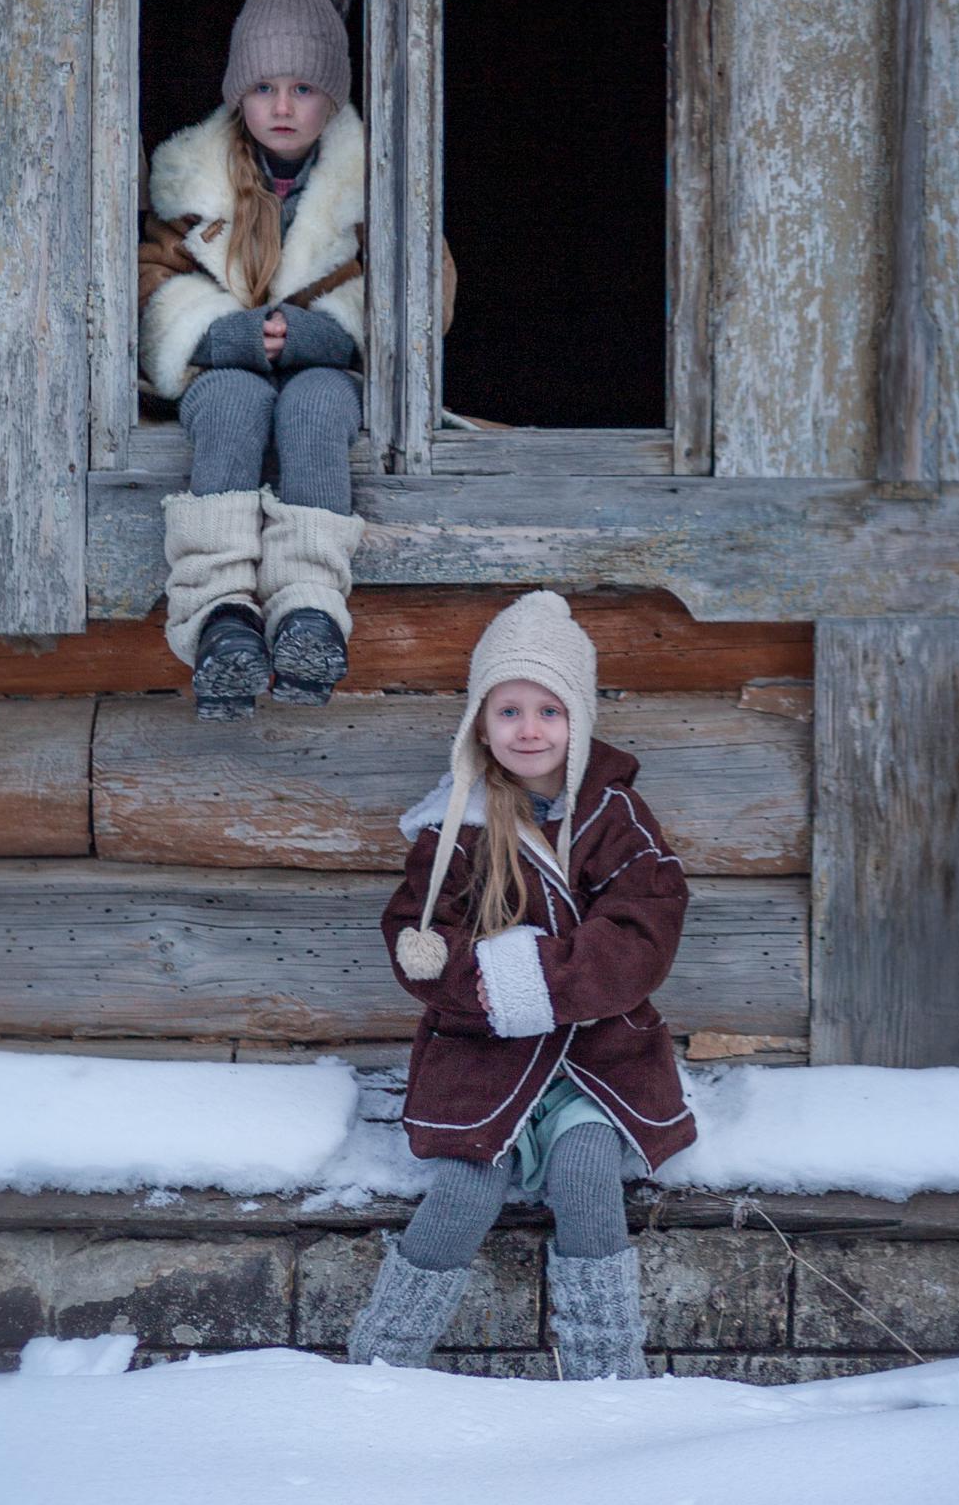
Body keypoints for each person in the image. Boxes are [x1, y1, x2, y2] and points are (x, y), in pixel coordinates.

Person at [348, 590, 696, 1378]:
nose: (530, 728)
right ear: (480, 721)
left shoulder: (615, 816)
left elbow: (643, 928)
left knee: (583, 1174)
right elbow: (420, 938)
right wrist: (485, 984)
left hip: (592, 1061)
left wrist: (540, 976)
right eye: (508, 710)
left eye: (549, 708)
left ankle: (607, 1374)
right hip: (485, 1058)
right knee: (470, 1189)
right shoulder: (454, 828)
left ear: (579, 718)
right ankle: (379, 1369)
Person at [138, 0, 368, 718]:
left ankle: (308, 608)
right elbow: (150, 278)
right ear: (239, 94)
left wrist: (332, 333)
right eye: (264, 87)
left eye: (303, 88)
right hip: (224, 367)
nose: (282, 106)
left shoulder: (375, 182)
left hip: (324, 373)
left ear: (332, 97)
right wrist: (216, 334)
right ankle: (219, 616)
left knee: (314, 410)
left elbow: (422, 290)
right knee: (233, 406)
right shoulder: (190, 179)